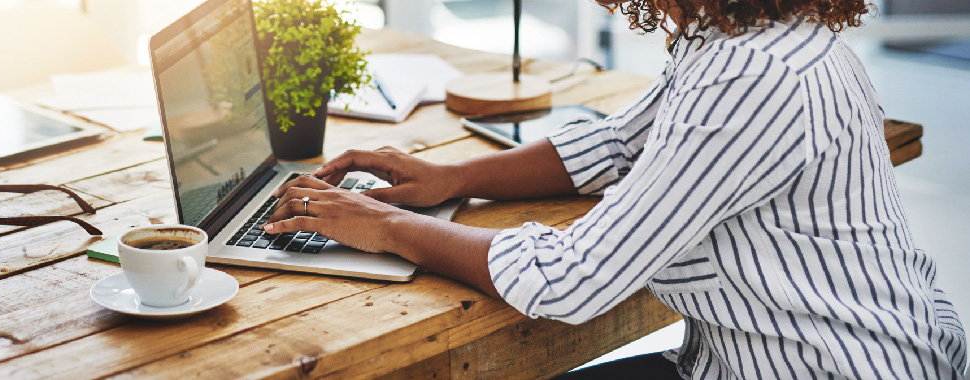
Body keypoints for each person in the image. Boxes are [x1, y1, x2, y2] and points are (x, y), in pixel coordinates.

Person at [261, 0, 967, 377]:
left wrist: (379, 227)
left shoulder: (751, 77)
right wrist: (454, 178)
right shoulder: (745, 38)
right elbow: (616, 144)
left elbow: (572, 279)